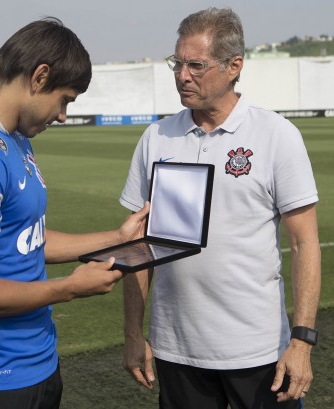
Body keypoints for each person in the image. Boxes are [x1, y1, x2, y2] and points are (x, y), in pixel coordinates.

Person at [0, 17, 149, 409]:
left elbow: (25, 240)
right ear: (40, 76)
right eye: (65, 100)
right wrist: (69, 288)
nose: (62, 115)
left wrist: (118, 238)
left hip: (38, 367)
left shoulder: (14, 137)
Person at [120, 7, 321, 409]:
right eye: (178, 63)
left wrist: (301, 340)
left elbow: (304, 244)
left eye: (196, 65)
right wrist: (132, 333)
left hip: (259, 351)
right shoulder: (157, 136)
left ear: (234, 66)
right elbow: (138, 242)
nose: (182, 75)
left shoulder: (276, 135)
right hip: (177, 350)